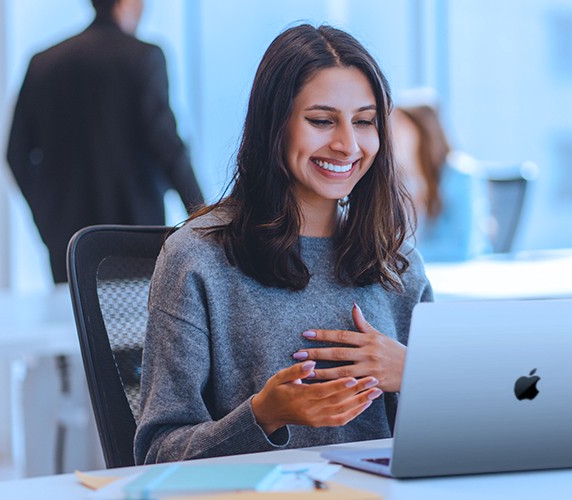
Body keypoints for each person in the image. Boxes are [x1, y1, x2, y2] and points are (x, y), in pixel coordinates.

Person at [134, 24, 433, 464]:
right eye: (321, 120)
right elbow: (156, 453)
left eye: (365, 122)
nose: (348, 144)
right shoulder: (198, 258)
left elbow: (447, 440)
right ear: (275, 126)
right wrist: (264, 414)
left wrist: (417, 373)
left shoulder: (396, 262)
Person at [6, 0, 204, 283]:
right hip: (133, 241)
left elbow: (15, 155)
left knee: (76, 324)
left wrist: (47, 221)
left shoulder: (43, 63)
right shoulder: (143, 57)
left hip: (68, 245)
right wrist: (203, 220)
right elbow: (169, 150)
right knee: (133, 326)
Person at [391, 102, 489, 261]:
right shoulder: (401, 182)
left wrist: (396, 256)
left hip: (458, 276)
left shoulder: (460, 175)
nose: (390, 136)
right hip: (420, 274)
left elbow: (461, 248)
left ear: (421, 132)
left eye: (398, 127)